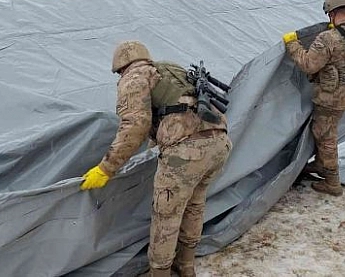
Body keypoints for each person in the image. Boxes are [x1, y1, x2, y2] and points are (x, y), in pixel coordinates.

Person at [80, 41, 232, 277]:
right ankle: (186, 265)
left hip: (187, 152)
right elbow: (173, 111)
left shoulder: (132, 79)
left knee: (167, 216)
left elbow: (135, 126)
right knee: (194, 205)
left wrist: (106, 169)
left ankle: (159, 273)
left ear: (120, 67)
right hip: (219, 143)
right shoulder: (170, 69)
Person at [282, 0, 345, 196]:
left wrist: (292, 45)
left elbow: (308, 65)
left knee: (326, 137)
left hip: (330, 99)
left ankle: (332, 182)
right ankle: (321, 165)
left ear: (331, 13)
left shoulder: (328, 38)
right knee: (327, 132)